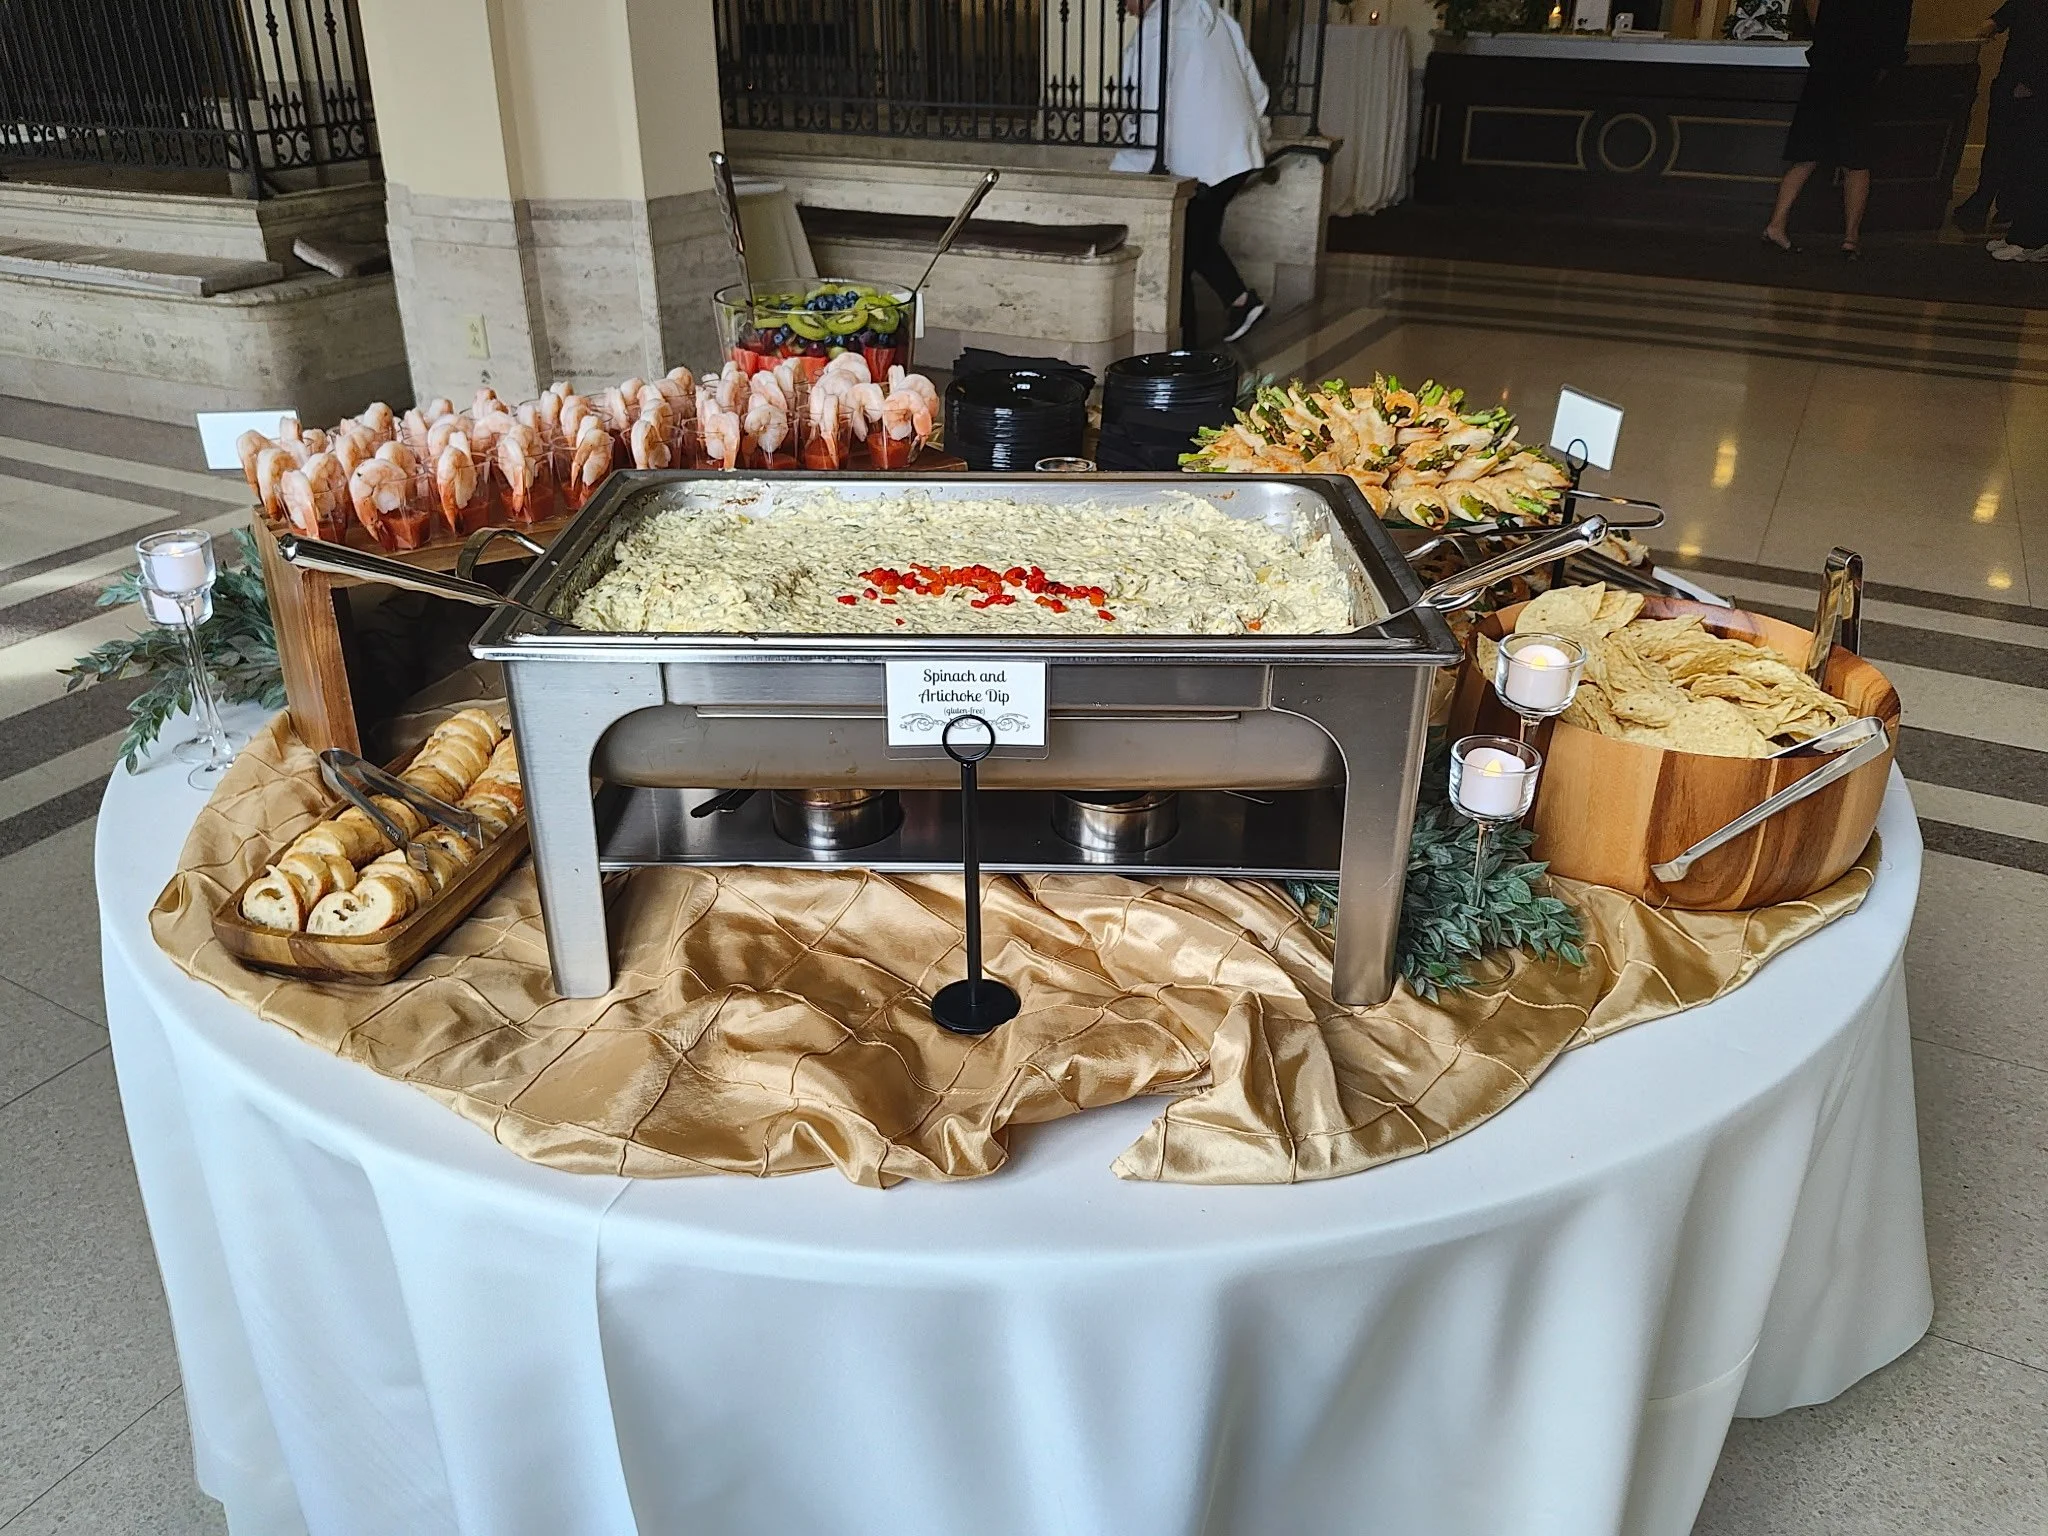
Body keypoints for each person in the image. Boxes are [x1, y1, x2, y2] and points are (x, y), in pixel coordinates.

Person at [1111, 0, 1271, 344]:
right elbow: (1255, 87)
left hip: (1199, 160)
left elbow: (1146, 105)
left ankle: (1183, 351)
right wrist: (1255, 135)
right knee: (1197, 239)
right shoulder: (1215, 17)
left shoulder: (1157, 30)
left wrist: (1134, 162)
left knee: (1177, 257)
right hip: (1235, 152)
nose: (1124, 8)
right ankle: (1241, 301)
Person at [1761, 0, 1913, 258]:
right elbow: (1896, 35)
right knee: (1856, 161)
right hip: (1862, 74)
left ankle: (1776, 224)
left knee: (1807, 154)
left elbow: (1818, 16)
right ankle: (1851, 238)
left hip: (1826, 69)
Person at [1956, 0, 2046, 233]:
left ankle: (1985, 205)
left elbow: (1996, 23)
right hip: (2027, 85)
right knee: (2020, 151)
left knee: (2000, 147)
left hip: (2017, 82)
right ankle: (2006, 208)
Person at [1979, 0, 2048, 257]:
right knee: (2019, 161)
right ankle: (2021, 233)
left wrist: (2029, 82)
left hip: (2034, 87)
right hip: (2021, 81)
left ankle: (2031, 239)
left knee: (2034, 163)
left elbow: (2038, 39)